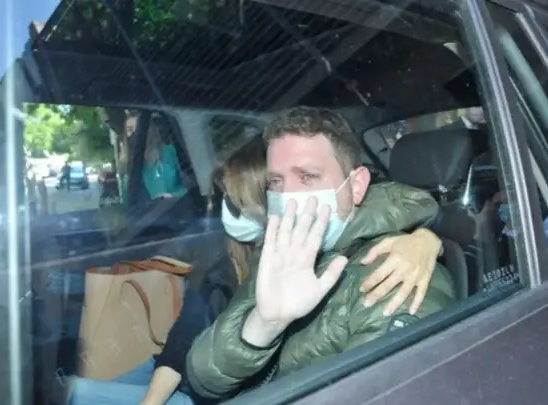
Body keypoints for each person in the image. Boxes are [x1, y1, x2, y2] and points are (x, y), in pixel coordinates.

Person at [69, 135, 444, 405]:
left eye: (235, 202)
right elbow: (185, 341)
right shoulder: (229, 254)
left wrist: (427, 238)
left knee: (77, 394)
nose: (226, 211)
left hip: (205, 391)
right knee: (73, 392)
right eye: (224, 199)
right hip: (185, 374)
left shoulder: (311, 255)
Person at [186, 107, 458, 400]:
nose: (287, 196)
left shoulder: (395, 272)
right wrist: (264, 325)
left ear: (356, 187)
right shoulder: (281, 253)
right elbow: (202, 378)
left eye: (307, 176)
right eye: (275, 181)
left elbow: (383, 392)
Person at [142, 118, 188, 200]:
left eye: (154, 129)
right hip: (153, 207)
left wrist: (172, 195)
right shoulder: (138, 162)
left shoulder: (169, 151)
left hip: (176, 203)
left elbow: (185, 184)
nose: (154, 132)